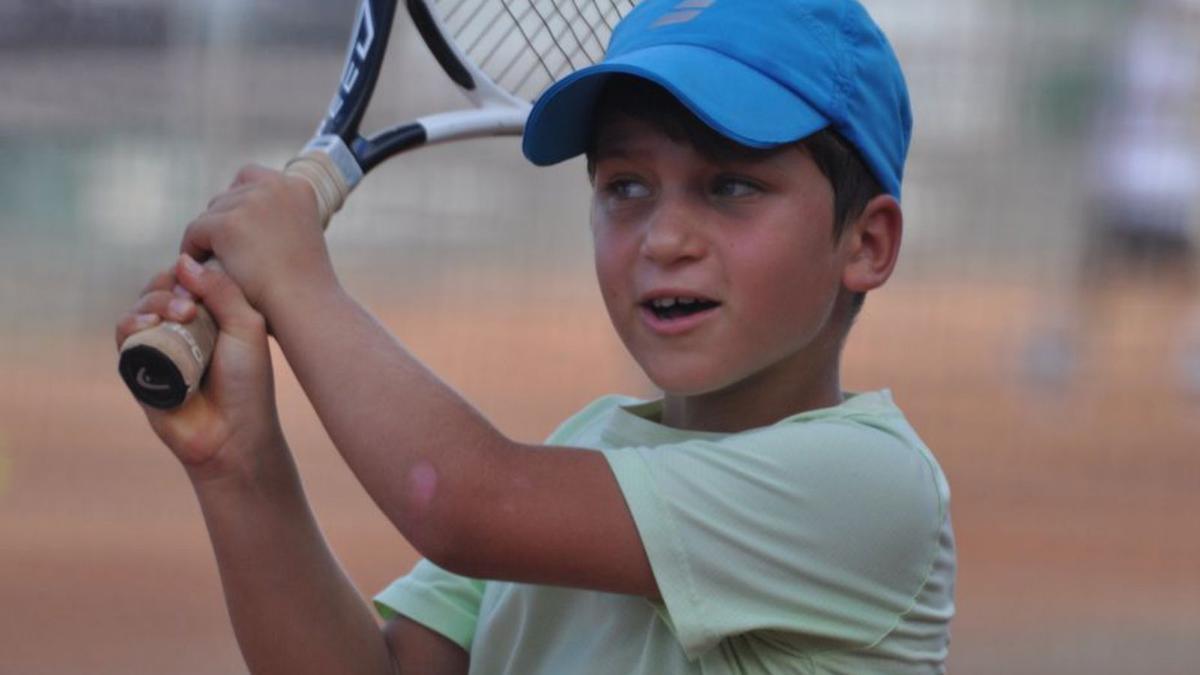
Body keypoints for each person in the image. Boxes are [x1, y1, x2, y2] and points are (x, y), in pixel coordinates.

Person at [115, 0, 955, 673]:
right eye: (626, 185)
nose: (665, 237)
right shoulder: (587, 448)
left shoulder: (870, 488)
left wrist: (299, 283)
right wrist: (240, 463)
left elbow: (465, 503)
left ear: (867, 243)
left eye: (731, 184)